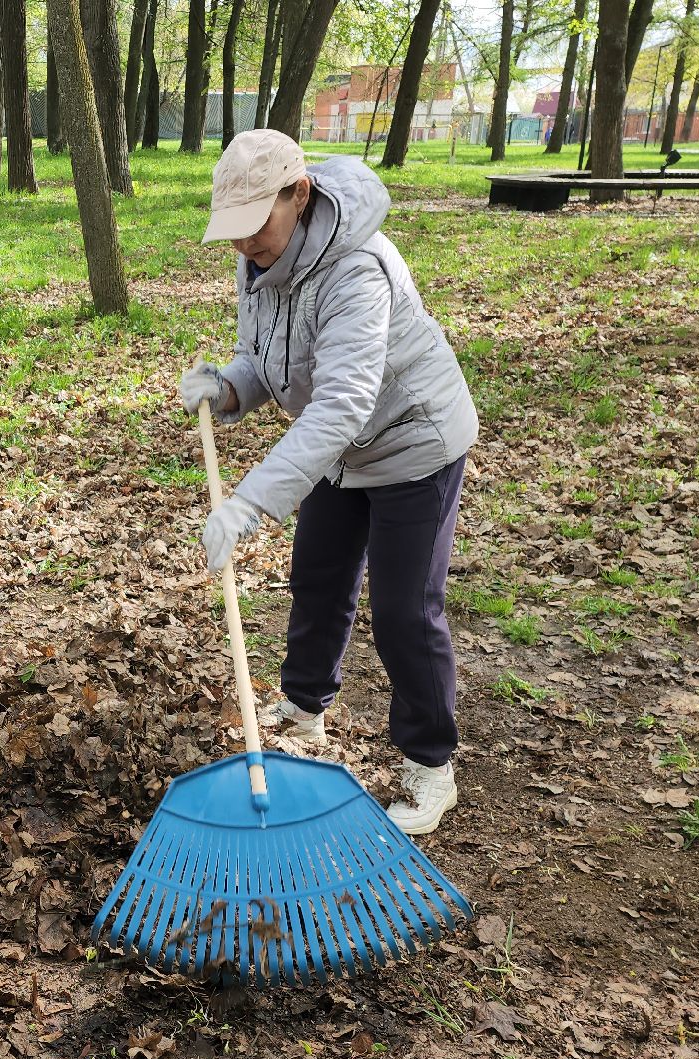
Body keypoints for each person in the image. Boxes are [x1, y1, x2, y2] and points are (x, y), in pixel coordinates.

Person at [182, 130, 479, 836]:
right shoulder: (258, 260)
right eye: (234, 233)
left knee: (406, 610)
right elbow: (265, 357)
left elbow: (344, 401)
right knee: (317, 578)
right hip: (339, 450)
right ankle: (305, 707)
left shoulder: (357, 270)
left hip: (413, 442)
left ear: (301, 195)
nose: (244, 246)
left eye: (257, 227)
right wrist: (228, 390)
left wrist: (249, 502)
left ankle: (431, 765)